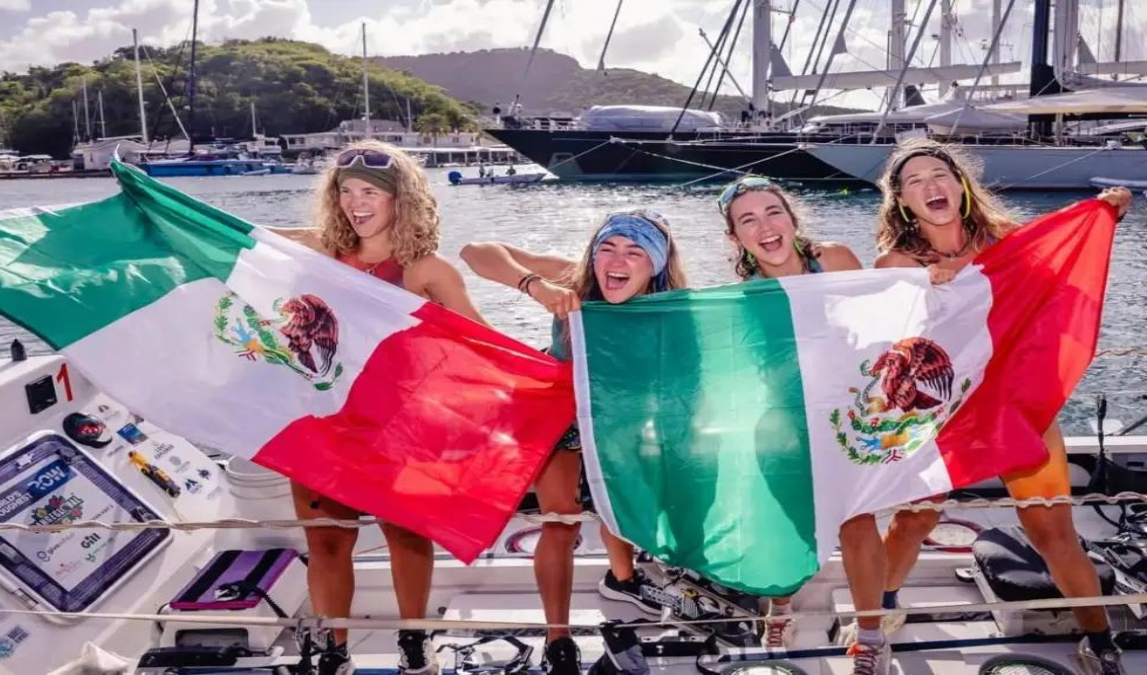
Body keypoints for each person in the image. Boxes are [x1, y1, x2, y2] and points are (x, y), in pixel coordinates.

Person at [840, 138, 1131, 675]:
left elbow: (1062, 290)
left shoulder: (1010, 244)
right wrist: (922, 290)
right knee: (913, 520)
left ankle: (1100, 637)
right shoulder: (897, 262)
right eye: (916, 182)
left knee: (1052, 531)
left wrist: (1098, 216)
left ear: (960, 185)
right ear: (902, 202)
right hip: (943, 418)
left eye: (940, 174)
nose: (932, 186)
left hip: (1018, 406)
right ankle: (880, 614)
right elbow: (881, 347)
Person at [270, 139, 487, 675]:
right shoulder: (319, 250)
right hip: (323, 423)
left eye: (371, 192)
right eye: (346, 191)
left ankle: (415, 642)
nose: (356, 202)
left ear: (400, 200)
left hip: (399, 429)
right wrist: (158, 205)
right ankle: (333, 651)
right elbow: (232, 240)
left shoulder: (426, 271)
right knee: (325, 543)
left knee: (406, 536)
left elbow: (487, 345)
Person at [460, 210, 687, 675]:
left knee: (620, 500)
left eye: (635, 251)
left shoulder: (675, 309)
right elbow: (475, 252)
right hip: (557, 409)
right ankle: (558, 638)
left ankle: (623, 579)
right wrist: (535, 287)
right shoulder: (573, 280)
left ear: (657, 265)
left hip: (619, 419)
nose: (617, 260)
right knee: (559, 522)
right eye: (607, 248)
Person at [717, 175, 865, 651]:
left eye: (772, 212)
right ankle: (780, 607)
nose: (764, 226)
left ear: (792, 217)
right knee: (784, 523)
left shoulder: (836, 260)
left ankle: (871, 634)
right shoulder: (743, 297)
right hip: (781, 422)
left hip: (846, 418)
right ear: (735, 237)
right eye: (748, 220)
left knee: (859, 525)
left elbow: (888, 319)